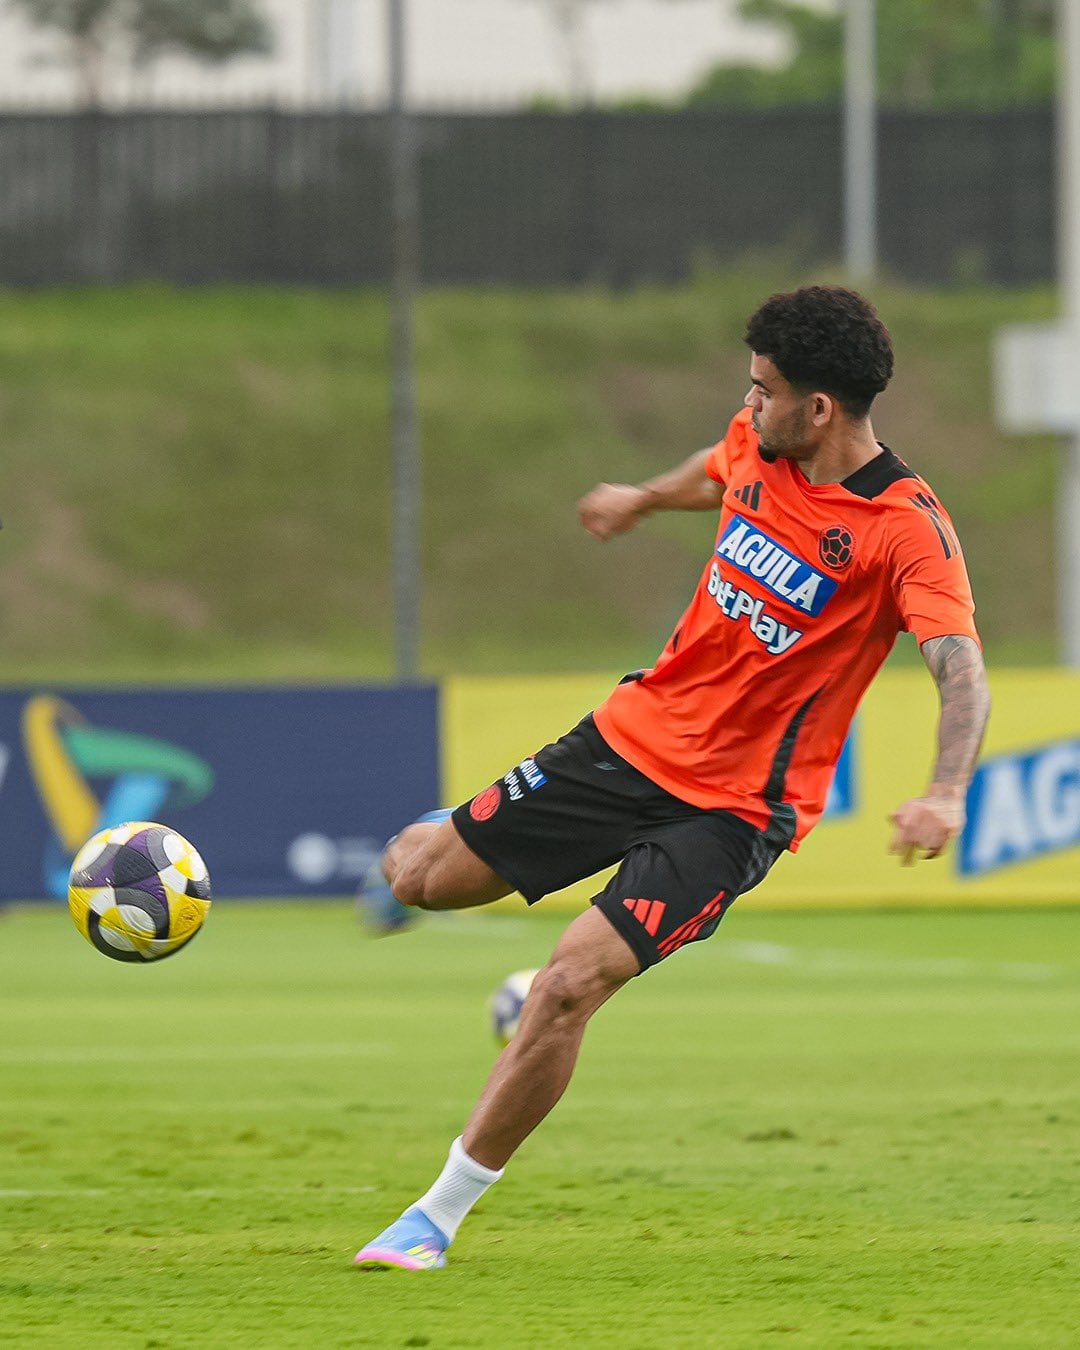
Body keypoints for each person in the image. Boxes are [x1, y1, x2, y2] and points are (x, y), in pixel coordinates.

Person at [353, 284, 990, 1271]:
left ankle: (431, 1219)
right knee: (419, 881)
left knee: (566, 987)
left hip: (734, 812)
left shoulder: (905, 528)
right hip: (625, 740)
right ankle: (452, 830)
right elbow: (716, 471)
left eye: (762, 390)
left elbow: (961, 668)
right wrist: (644, 497)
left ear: (817, 408)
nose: (746, 406)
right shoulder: (757, 445)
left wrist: (947, 789)